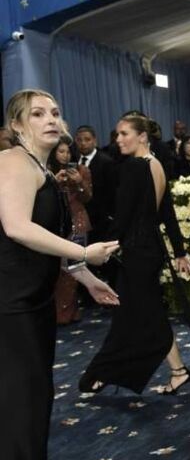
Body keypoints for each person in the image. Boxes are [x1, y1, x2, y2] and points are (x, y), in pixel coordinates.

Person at [0, 89, 119, 460]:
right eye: (37, 114)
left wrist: (85, 277)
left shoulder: (42, 168)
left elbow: (48, 240)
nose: (51, 119)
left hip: (32, 299)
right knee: (25, 398)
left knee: (33, 395)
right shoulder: (14, 162)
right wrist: (84, 254)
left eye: (54, 112)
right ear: (17, 125)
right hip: (10, 302)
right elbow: (17, 228)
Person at [78, 115, 190, 394]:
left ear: (142, 136)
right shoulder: (156, 164)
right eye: (117, 134)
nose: (118, 140)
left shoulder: (133, 167)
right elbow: (167, 214)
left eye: (124, 134)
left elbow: (123, 218)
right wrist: (179, 251)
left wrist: (99, 250)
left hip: (136, 253)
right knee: (141, 313)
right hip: (151, 250)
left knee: (140, 315)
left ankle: (104, 372)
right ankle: (177, 371)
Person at [49, 136, 94, 325]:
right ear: (54, 153)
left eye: (68, 151)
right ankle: (61, 312)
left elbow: (88, 197)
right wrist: (54, 182)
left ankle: (68, 312)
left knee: (75, 269)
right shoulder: (46, 170)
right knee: (57, 271)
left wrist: (79, 183)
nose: (65, 155)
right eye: (61, 151)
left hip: (78, 222)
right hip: (54, 224)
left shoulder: (82, 170)